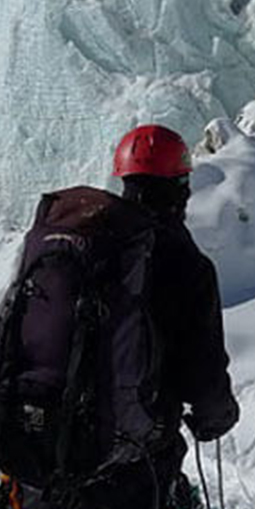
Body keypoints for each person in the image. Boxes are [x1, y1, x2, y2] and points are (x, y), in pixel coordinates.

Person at [0, 124, 239, 509]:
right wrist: (217, 416)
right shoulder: (186, 264)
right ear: (181, 185)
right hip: (128, 465)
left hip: (39, 450)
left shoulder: (86, 244)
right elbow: (203, 372)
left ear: (124, 179)